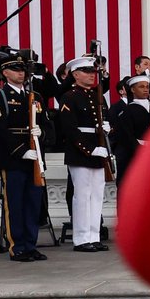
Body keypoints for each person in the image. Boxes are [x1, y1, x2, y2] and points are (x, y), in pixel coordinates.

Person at [0, 50, 50, 261]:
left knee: (33, 203)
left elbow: (46, 123)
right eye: (16, 69)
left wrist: (42, 134)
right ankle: (18, 246)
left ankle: (31, 244)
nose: (21, 73)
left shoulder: (35, 96)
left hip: (35, 155)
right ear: (4, 72)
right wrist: (22, 151)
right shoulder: (0, 96)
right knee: (15, 203)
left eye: (23, 69)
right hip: (13, 157)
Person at [60, 56, 112, 252]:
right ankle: (81, 238)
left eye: (93, 72)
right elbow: (70, 128)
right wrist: (89, 149)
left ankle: (94, 235)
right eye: (87, 72)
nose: (91, 75)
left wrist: (107, 128)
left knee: (97, 195)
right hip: (80, 152)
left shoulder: (97, 95)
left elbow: (105, 117)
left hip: (99, 148)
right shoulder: (69, 97)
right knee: (82, 196)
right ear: (75, 75)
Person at [113, 74, 150, 189]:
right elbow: (127, 135)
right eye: (141, 87)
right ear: (132, 89)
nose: (146, 89)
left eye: (147, 87)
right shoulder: (128, 110)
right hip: (132, 154)